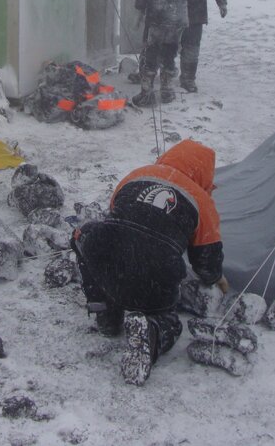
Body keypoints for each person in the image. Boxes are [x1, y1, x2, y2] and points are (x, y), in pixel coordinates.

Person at [71, 139, 228, 385]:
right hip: (158, 273)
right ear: (204, 173)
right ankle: (153, 329)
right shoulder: (202, 200)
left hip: (110, 262)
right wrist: (216, 278)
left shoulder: (136, 175)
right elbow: (205, 259)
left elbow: (114, 218)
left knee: (87, 236)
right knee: (169, 321)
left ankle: (105, 309)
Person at [131, 0, 191, 107]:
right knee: (169, 53)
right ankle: (167, 91)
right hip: (178, 19)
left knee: (151, 53)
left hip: (158, 18)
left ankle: (147, 94)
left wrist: (138, 15)